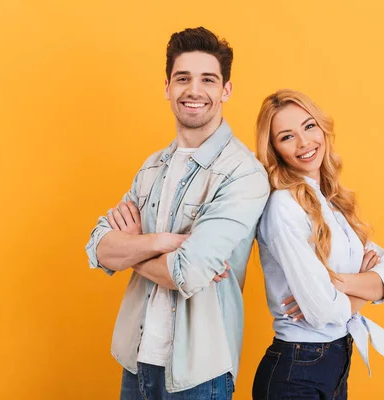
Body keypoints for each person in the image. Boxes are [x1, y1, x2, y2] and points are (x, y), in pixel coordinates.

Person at [85, 27, 270, 399]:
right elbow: (98, 249)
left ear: (226, 90)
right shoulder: (152, 168)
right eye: (183, 78)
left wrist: (133, 248)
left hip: (199, 374)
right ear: (167, 87)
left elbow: (187, 272)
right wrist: (163, 242)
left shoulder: (244, 173)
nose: (194, 90)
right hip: (136, 362)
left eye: (208, 79)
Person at [251, 89, 384, 399]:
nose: (305, 143)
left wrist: (337, 284)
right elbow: (321, 312)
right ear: (275, 149)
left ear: (322, 128)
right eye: (287, 137)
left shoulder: (333, 202)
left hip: (334, 362)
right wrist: (362, 286)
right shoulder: (283, 206)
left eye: (309, 126)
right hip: (297, 369)